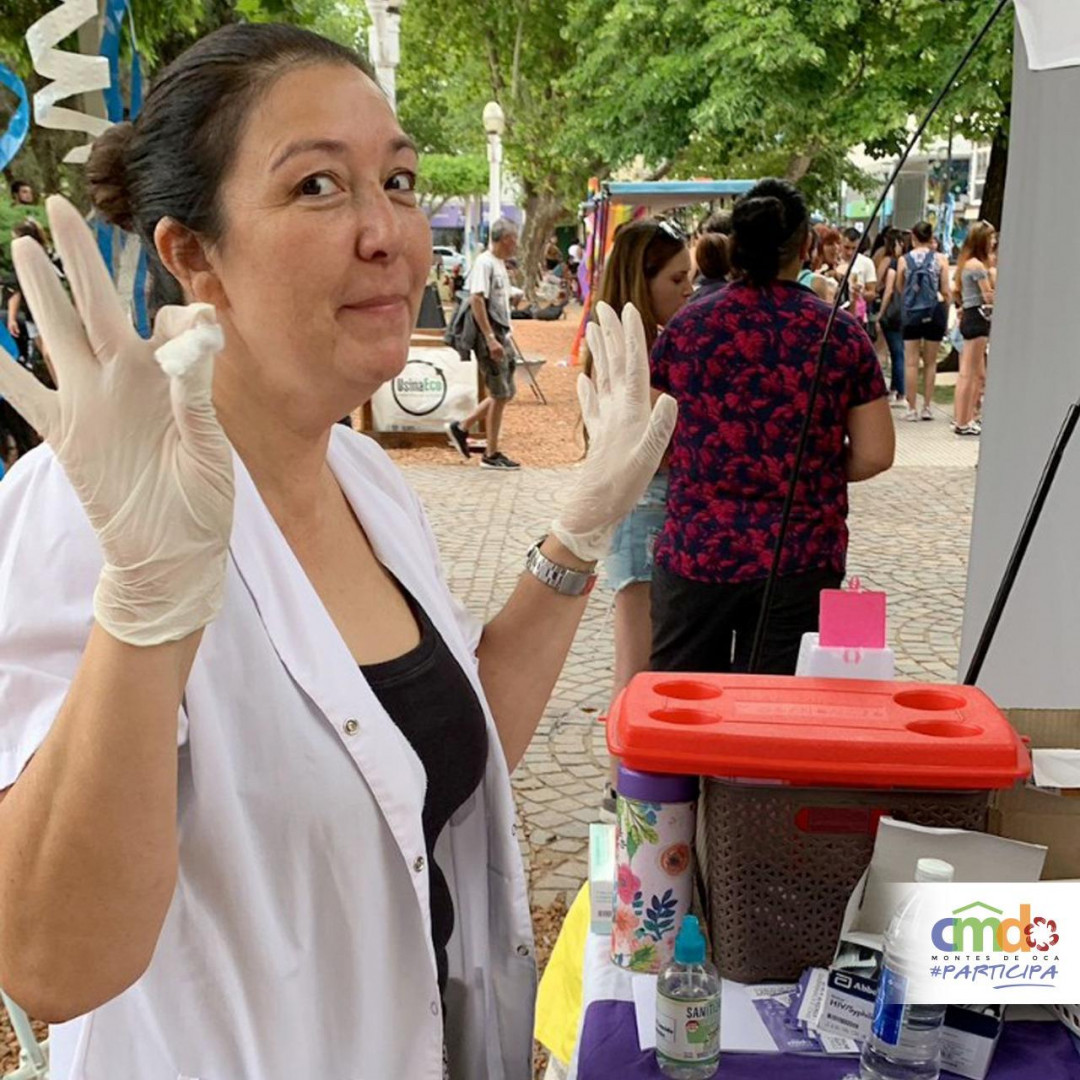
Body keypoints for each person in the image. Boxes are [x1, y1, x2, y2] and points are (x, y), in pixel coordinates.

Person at [0, 24, 677, 1080]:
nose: (388, 234)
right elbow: (45, 959)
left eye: (399, 181)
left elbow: (428, 759)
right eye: (317, 186)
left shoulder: (365, 481)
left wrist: (579, 533)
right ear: (192, 254)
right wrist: (147, 609)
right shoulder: (85, 513)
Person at [649, 178, 894, 675]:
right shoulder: (840, 334)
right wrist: (811, 468)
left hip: (698, 547)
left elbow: (650, 442)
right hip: (801, 554)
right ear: (805, 247)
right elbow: (875, 453)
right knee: (778, 713)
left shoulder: (687, 329)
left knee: (685, 711)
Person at [446, 218, 522, 469]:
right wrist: (490, 338)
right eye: (514, 238)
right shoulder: (484, 263)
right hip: (491, 337)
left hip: (503, 334)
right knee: (500, 393)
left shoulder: (499, 264)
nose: (517, 244)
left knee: (506, 393)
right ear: (504, 239)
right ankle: (491, 453)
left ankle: (462, 426)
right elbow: (477, 300)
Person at [896, 220, 951, 421]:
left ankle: (911, 408)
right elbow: (945, 290)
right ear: (931, 238)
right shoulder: (941, 259)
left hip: (911, 314)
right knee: (930, 363)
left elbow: (900, 288)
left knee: (911, 362)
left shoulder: (904, 260)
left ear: (913, 238)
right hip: (933, 312)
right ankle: (927, 407)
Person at [952, 221, 996, 436]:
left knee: (976, 374)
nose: (994, 242)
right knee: (968, 374)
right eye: (991, 238)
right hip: (978, 317)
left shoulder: (965, 263)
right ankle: (963, 420)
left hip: (969, 316)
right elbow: (988, 294)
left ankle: (967, 417)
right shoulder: (977, 266)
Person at [875, 229, 908, 405]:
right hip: (905, 312)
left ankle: (899, 391)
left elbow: (886, 290)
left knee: (894, 352)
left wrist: (880, 314)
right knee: (899, 351)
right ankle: (897, 388)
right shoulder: (910, 263)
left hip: (891, 313)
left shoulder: (891, 265)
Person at [838, 226, 878, 332]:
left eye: (854, 248)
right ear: (840, 244)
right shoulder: (834, 261)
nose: (850, 252)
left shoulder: (866, 263)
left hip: (857, 318)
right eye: (846, 247)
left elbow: (872, 293)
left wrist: (860, 292)